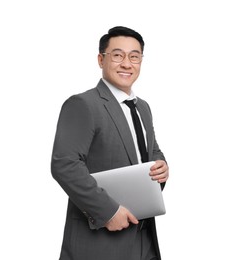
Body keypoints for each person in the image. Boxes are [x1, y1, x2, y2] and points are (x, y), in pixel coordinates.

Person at [51, 26, 169, 260]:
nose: (127, 63)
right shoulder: (83, 104)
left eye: (134, 56)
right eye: (117, 55)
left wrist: (162, 166)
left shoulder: (142, 107)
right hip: (100, 242)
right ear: (100, 59)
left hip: (145, 238)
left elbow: (151, 151)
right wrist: (108, 211)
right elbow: (65, 165)